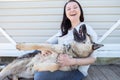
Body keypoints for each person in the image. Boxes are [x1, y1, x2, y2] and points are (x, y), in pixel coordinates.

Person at [34, 0, 98, 80]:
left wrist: (72, 61)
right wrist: (44, 48)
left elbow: (93, 59)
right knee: (35, 52)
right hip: (56, 60)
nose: (72, 10)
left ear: (80, 11)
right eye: (68, 9)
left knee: (39, 76)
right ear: (66, 14)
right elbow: (49, 42)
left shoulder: (87, 30)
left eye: (75, 7)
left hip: (75, 69)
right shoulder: (65, 29)